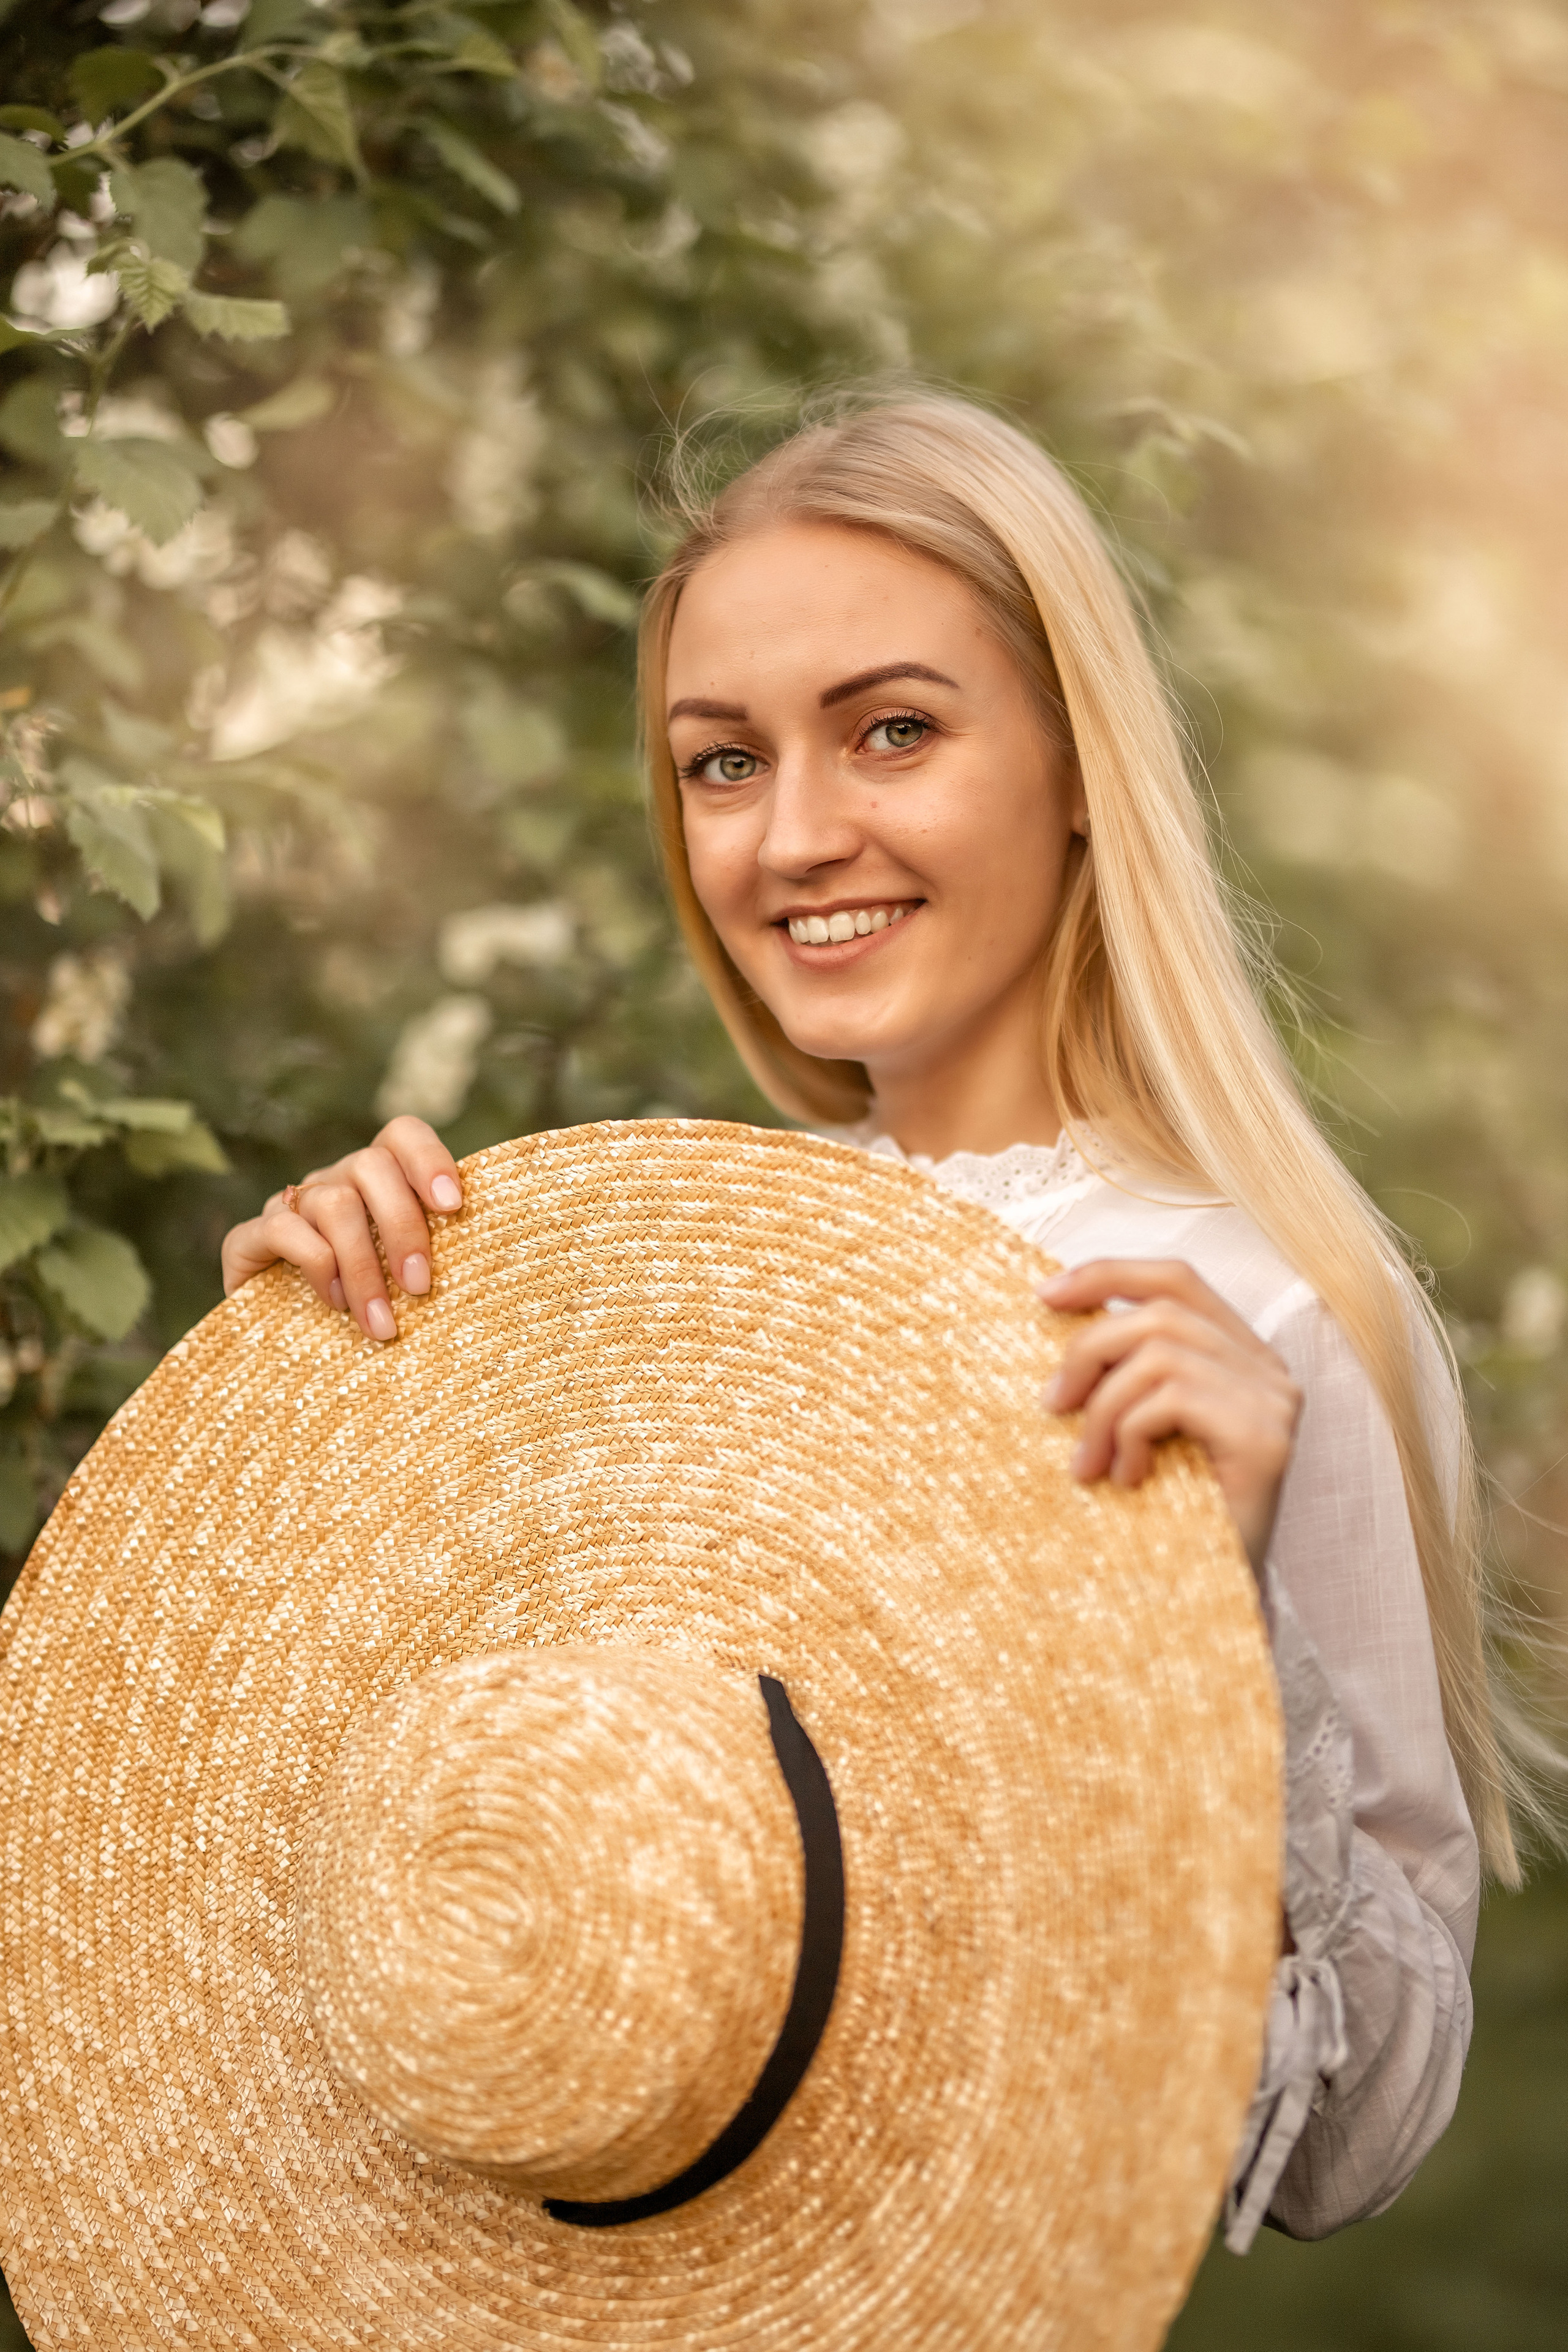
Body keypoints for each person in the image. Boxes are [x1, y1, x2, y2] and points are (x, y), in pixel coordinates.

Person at [219, 391, 1523, 2249]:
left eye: (892, 731)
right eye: (723, 762)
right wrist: (303, 1409)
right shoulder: (676, 1284)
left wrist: (1218, 1612)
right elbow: (425, 1877)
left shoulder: (1258, 1304)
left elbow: (1364, 2135)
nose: (796, 835)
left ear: (1078, 760)